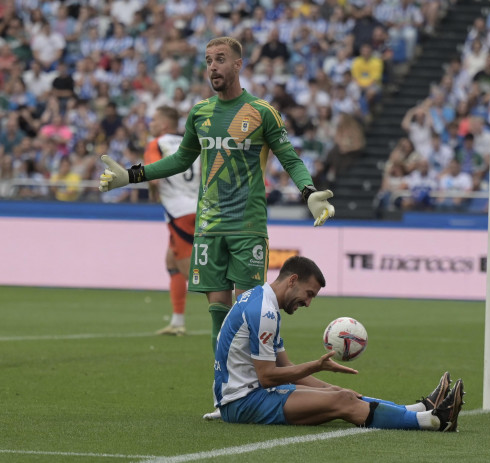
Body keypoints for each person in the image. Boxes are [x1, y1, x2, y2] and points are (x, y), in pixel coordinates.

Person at [98, 37, 335, 356]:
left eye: (220, 59)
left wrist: (310, 191)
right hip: (209, 227)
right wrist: (132, 175)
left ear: (238, 64)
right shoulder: (200, 113)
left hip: (246, 225)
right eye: (208, 60)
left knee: (250, 313)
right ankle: (223, 396)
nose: (213, 66)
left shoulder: (261, 112)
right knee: (218, 318)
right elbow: (181, 159)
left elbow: (289, 158)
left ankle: (254, 388)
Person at [212, 255, 465, 431]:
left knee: (339, 394)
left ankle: (420, 408)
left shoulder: (262, 302)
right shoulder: (264, 313)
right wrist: (316, 367)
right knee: (343, 401)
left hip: (251, 395)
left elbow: (286, 369)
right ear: (292, 280)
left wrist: (327, 386)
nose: (308, 303)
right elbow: (268, 377)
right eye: (308, 294)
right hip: (243, 403)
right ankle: (432, 421)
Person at [144, 106, 201, 336]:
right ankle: (177, 322)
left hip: (179, 212)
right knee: (171, 261)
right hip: (201, 208)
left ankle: (235, 319)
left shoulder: (156, 143)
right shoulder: (193, 142)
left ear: (165, 125)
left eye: (155, 119)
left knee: (193, 275)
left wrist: (151, 189)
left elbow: (152, 174)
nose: (151, 123)